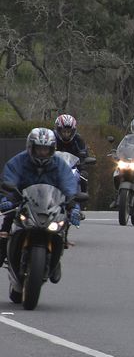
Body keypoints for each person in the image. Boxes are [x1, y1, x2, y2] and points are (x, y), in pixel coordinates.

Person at [0, 128, 77, 278]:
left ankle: (56, 257)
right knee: (8, 219)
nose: (42, 152)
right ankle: (3, 249)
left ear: (52, 149)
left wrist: (74, 206)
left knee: (63, 223)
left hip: (50, 204)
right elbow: (9, 180)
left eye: (46, 149)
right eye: (39, 149)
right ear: (31, 147)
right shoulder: (18, 161)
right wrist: (6, 199)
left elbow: (69, 185)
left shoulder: (60, 164)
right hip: (22, 202)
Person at [54, 114, 89, 223]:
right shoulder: (52, 138)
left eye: (68, 132)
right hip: (53, 167)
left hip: (72, 167)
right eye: (63, 131)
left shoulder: (78, 140)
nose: (66, 134)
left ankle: (79, 205)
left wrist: (83, 168)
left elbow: (83, 155)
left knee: (83, 178)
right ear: (58, 130)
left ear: (73, 131)